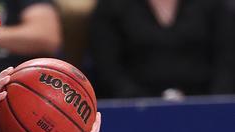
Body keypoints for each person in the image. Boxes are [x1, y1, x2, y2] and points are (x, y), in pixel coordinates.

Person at [89, 0, 235, 99]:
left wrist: (213, 103)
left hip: (206, 104)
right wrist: (142, 103)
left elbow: (226, 62)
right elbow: (107, 67)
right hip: (134, 108)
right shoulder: (112, 6)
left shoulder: (215, 5)